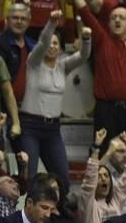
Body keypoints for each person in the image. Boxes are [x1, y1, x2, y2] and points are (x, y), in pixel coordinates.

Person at [16, 11, 91, 196]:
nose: (52, 46)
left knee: (62, 178)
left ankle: (58, 214)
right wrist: (51, 23)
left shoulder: (63, 66)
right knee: (30, 178)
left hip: (53, 129)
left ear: (60, 48)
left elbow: (83, 56)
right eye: (50, 42)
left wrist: (87, 39)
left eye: (56, 43)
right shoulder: (33, 63)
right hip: (30, 126)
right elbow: (42, 42)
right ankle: (25, 216)